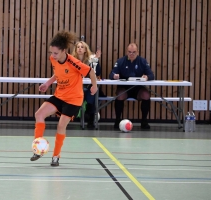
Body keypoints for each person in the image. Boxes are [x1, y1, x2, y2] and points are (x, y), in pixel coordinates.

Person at [31, 31, 98, 166]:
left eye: (55, 53)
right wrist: (47, 83)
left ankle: (56, 156)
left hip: (73, 99)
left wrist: (94, 86)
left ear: (63, 51)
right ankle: (38, 148)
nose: (52, 55)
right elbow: (57, 73)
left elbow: (90, 72)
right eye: (51, 53)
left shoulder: (74, 63)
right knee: (39, 114)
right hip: (59, 95)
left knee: (61, 126)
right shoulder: (53, 59)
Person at [109, 43, 154, 129]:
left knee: (146, 95)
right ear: (127, 52)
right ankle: (117, 120)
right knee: (120, 95)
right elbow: (111, 74)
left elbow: (151, 75)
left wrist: (147, 77)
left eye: (134, 52)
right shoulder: (120, 61)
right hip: (124, 88)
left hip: (138, 88)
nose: (131, 54)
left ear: (137, 52)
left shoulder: (142, 61)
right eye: (129, 52)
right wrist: (114, 76)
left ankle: (144, 121)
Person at [71, 41, 101, 128]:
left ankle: (90, 117)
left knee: (91, 92)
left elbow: (97, 73)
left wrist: (97, 60)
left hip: (87, 86)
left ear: (85, 50)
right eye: (78, 47)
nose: (80, 48)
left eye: (82, 47)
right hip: (75, 86)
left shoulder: (91, 60)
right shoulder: (72, 60)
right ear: (76, 50)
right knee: (84, 91)